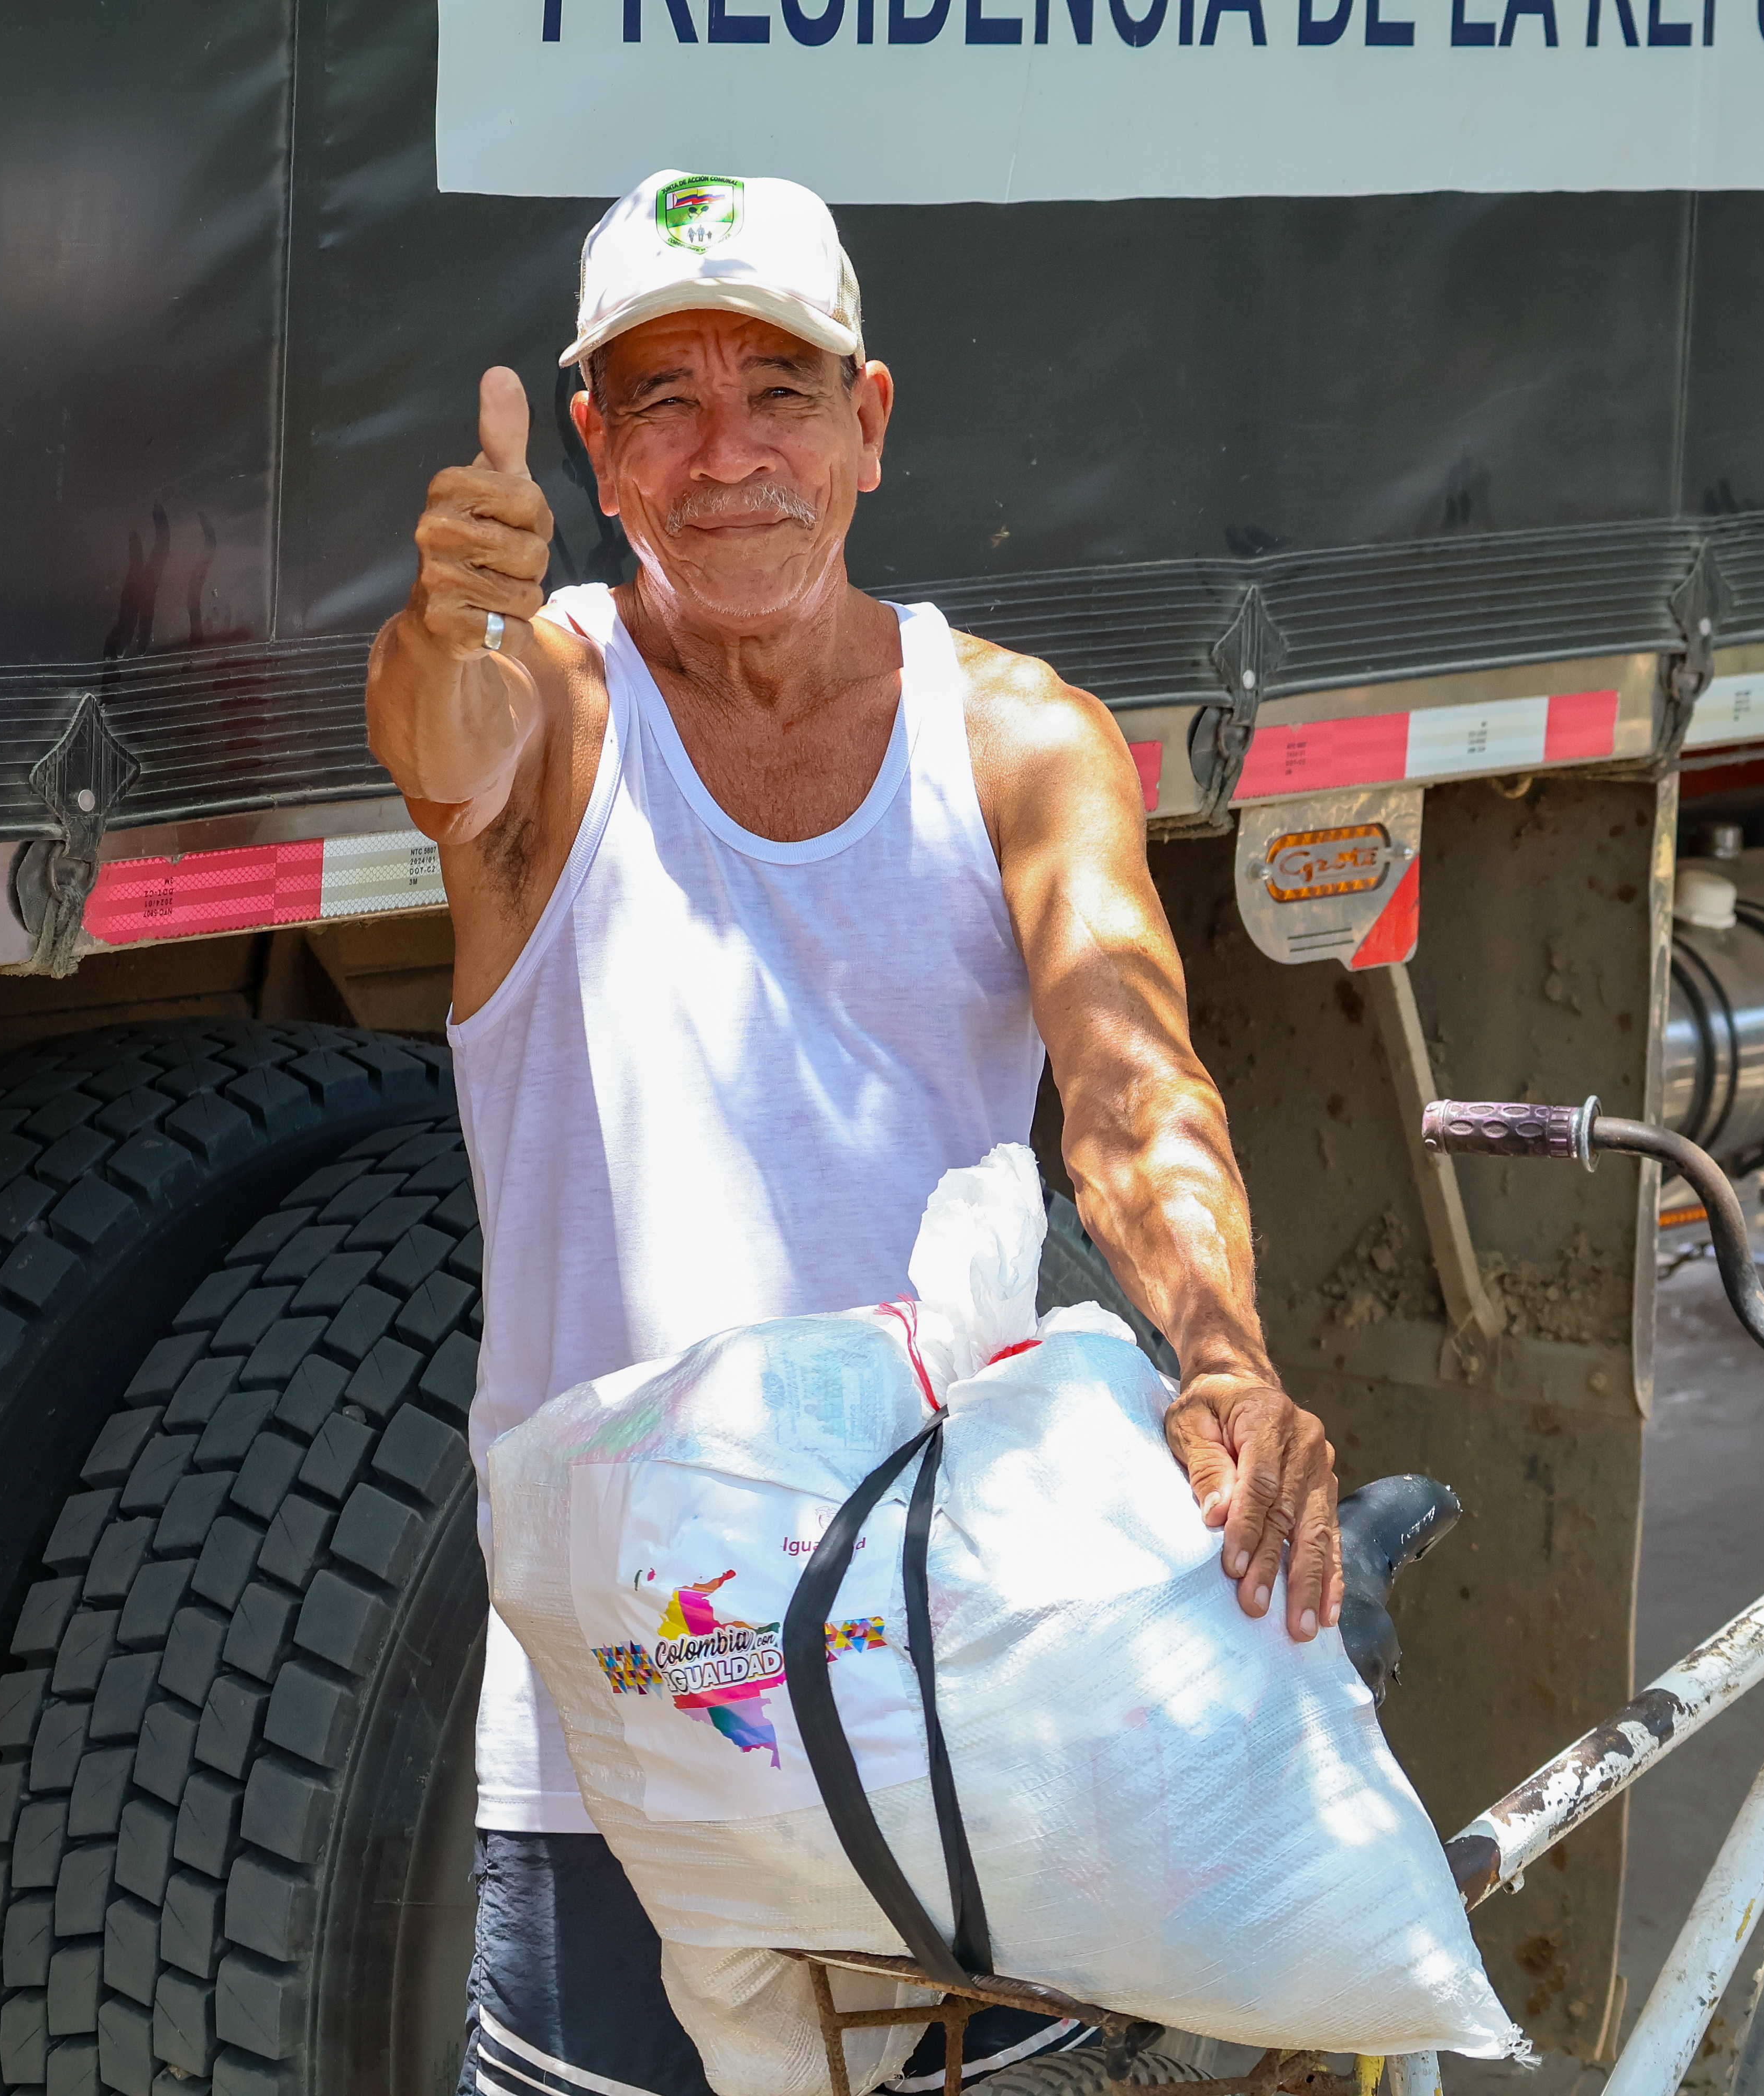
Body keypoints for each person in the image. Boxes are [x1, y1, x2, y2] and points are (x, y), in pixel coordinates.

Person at [364, 169, 1341, 2096]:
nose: (728, 456)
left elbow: (1133, 1084)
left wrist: (1225, 1356)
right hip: (630, 1722)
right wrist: (442, 621)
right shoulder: (552, 703)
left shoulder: (1017, 739)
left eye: (780, 393)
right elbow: (442, 744)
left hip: (963, 1688)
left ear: (871, 425)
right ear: (598, 453)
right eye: (663, 401)